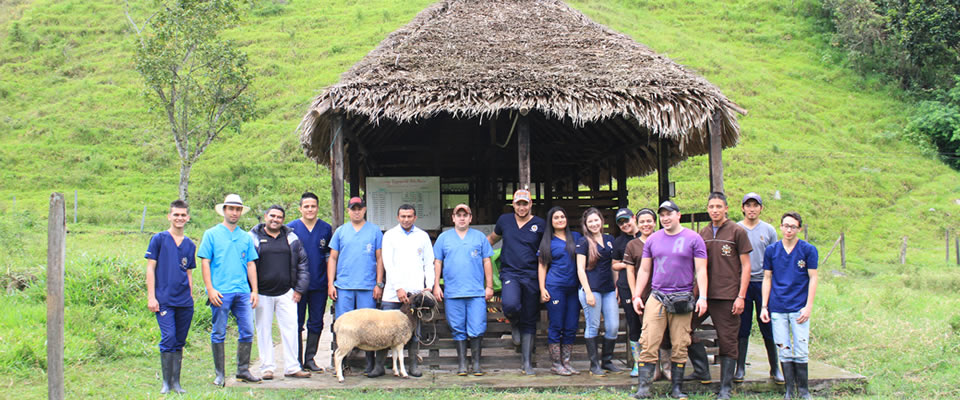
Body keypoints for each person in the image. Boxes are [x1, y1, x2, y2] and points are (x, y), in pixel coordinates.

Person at [631, 200, 708, 399]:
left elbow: (701, 270)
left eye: (669, 214)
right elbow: (645, 269)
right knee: (648, 340)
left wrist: (703, 297)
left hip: (682, 297)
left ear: (678, 215)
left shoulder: (694, 238)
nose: (666, 218)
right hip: (657, 296)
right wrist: (637, 295)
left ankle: (676, 388)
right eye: (662, 215)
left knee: (681, 342)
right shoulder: (653, 240)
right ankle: (644, 388)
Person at [687, 192, 752, 399]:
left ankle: (725, 387)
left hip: (727, 296)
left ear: (726, 208)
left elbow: (746, 266)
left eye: (718, 206)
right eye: (711, 207)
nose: (714, 210)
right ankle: (701, 370)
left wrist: (741, 296)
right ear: (707, 209)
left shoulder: (737, 232)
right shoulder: (702, 233)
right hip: (703, 295)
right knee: (683, 330)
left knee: (727, 340)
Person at [198, 194, 260, 386]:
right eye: (231, 209)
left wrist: (254, 290)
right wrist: (210, 289)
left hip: (242, 291)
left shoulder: (245, 237)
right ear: (224, 210)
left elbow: (251, 264)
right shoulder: (211, 234)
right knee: (218, 332)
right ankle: (220, 374)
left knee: (248, 330)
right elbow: (205, 262)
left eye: (237, 209)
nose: (234, 212)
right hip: (221, 291)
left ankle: (243, 370)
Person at [248, 205, 312, 380]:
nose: (275, 220)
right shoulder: (253, 237)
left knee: (291, 328)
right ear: (265, 216)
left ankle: (292, 367)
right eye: (272, 216)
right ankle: (267, 367)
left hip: (286, 292)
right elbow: (246, 264)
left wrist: (299, 289)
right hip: (261, 292)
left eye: (279, 217)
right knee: (263, 330)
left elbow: (303, 264)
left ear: (283, 220)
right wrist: (251, 291)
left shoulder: (291, 237)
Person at [760, 212, 818, 400]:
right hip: (777, 306)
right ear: (780, 227)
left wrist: (808, 306)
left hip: (799, 307)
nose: (788, 230)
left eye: (793, 226)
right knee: (783, 348)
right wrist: (764, 306)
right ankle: (789, 390)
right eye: (785, 225)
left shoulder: (808, 250)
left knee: (801, 349)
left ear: (799, 228)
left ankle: (803, 390)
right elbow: (767, 278)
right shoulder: (772, 250)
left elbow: (813, 277)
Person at [487, 188, 545, 375]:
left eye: (525, 203)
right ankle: (514, 323)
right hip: (510, 273)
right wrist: (474, 251)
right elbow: (492, 239)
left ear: (530, 205)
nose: (521, 207)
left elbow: (547, 251)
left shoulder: (540, 224)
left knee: (530, 317)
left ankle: (526, 362)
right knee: (510, 304)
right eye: (518, 203)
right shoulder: (504, 221)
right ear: (513, 204)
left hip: (532, 275)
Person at [434, 204, 495, 376]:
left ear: (470, 218)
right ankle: (462, 364)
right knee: (457, 327)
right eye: (458, 214)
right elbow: (437, 262)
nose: (462, 218)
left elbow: (487, 261)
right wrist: (436, 285)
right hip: (453, 292)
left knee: (477, 327)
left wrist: (489, 286)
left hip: (476, 292)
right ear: (453, 218)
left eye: (465, 214)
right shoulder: (444, 238)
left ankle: (476, 364)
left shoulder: (479, 237)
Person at [327, 196, 384, 376]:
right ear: (349, 210)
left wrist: (379, 283)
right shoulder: (341, 232)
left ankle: (370, 363)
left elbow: (379, 258)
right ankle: (342, 363)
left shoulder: (374, 231)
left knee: (368, 325)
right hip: (344, 286)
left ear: (365, 209)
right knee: (344, 325)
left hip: (367, 286)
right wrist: (331, 284)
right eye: (353, 208)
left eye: (360, 208)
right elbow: (333, 258)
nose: (357, 211)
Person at [145, 199, 196, 394]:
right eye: (176, 214)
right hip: (164, 299)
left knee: (179, 340)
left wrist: (190, 296)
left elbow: (189, 272)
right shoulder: (158, 239)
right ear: (169, 216)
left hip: (184, 301)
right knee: (169, 337)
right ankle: (166, 382)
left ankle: (176, 382)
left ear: (188, 218)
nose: (179, 218)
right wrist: (152, 296)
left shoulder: (190, 244)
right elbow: (151, 268)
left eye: (183, 215)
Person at [379, 204, 435, 378]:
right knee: (384, 330)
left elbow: (429, 263)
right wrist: (398, 287)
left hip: (415, 293)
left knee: (413, 332)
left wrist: (429, 286)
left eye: (409, 216)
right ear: (398, 217)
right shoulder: (389, 236)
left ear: (415, 217)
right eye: (403, 216)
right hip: (392, 293)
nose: (406, 219)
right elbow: (388, 263)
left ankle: (412, 366)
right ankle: (379, 366)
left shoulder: (423, 236)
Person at [736, 192, 784, 384]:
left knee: (768, 327)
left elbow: (775, 258)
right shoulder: (737, 229)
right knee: (742, 326)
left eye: (755, 205)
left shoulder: (769, 230)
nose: (752, 209)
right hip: (743, 284)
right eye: (748, 205)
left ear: (761, 208)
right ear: (743, 208)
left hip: (763, 283)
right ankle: (740, 367)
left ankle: (775, 368)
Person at [287, 192, 333, 373]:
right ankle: (296, 360)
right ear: (300, 208)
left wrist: (330, 282)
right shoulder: (291, 228)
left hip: (319, 284)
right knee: (296, 323)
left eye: (313, 206)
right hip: (297, 286)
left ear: (317, 208)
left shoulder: (325, 229)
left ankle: (309, 358)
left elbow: (330, 256)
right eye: (306, 206)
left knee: (316, 322)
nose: (310, 209)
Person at [616, 208, 664, 378]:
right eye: (620, 223)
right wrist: (629, 266)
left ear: (633, 218)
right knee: (634, 324)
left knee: (657, 325)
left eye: (627, 220)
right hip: (629, 287)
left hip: (656, 287)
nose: (625, 224)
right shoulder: (623, 243)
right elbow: (617, 266)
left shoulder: (659, 238)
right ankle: (639, 362)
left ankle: (658, 363)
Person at [537, 207, 582, 376]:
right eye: (556, 217)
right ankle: (556, 363)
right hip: (555, 287)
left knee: (571, 325)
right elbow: (542, 266)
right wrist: (542, 288)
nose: (560, 220)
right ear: (551, 221)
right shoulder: (547, 242)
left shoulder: (576, 238)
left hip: (574, 288)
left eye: (562, 216)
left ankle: (567, 362)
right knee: (556, 324)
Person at [576, 207, 620, 376]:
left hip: (608, 289)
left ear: (601, 221)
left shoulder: (609, 240)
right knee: (593, 326)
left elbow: (613, 265)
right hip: (591, 289)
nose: (594, 224)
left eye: (596, 220)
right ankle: (594, 365)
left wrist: (616, 286)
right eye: (590, 222)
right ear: (586, 225)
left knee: (613, 326)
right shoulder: (583, 242)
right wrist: (587, 292)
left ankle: (607, 361)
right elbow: (580, 269)